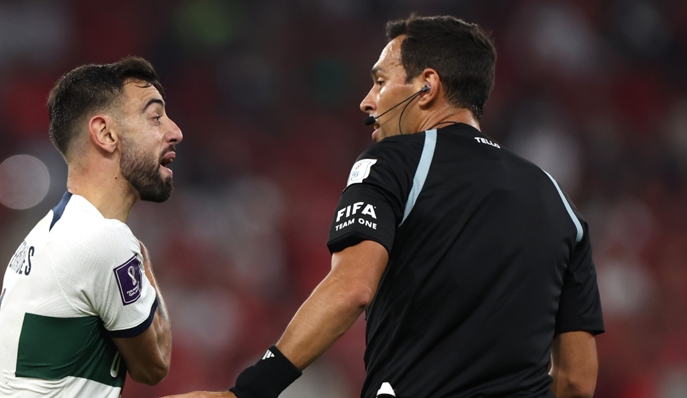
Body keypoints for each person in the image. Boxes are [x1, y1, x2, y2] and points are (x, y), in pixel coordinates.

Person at [164, 14, 603, 398]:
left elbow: (352, 288)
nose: (366, 100)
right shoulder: (559, 201)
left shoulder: (396, 160)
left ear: (427, 87)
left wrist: (251, 390)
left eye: (379, 81)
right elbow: (576, 382)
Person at [0, 56, 183, 398]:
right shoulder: (107, 240)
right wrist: (142, 259)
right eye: (155, 117)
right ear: (105, 134)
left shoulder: (41, 237)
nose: (174, 131)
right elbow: (155, 366)